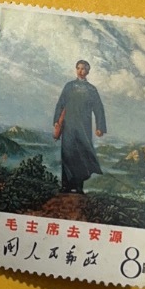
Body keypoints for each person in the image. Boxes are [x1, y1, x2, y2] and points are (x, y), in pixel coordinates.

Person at [53, 59, 106, 194]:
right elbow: (61, 103)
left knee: (81, 155)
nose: (80, 71)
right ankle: (65, 186)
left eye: (83, 68)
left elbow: (99, 108)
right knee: (67, 154)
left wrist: (100, 127)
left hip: (84, 127)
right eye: (78, 68)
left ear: (88, 71)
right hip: (68, 126)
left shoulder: (92, 89)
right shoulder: (69, 86)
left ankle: (78, 187)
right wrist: (56, 120)